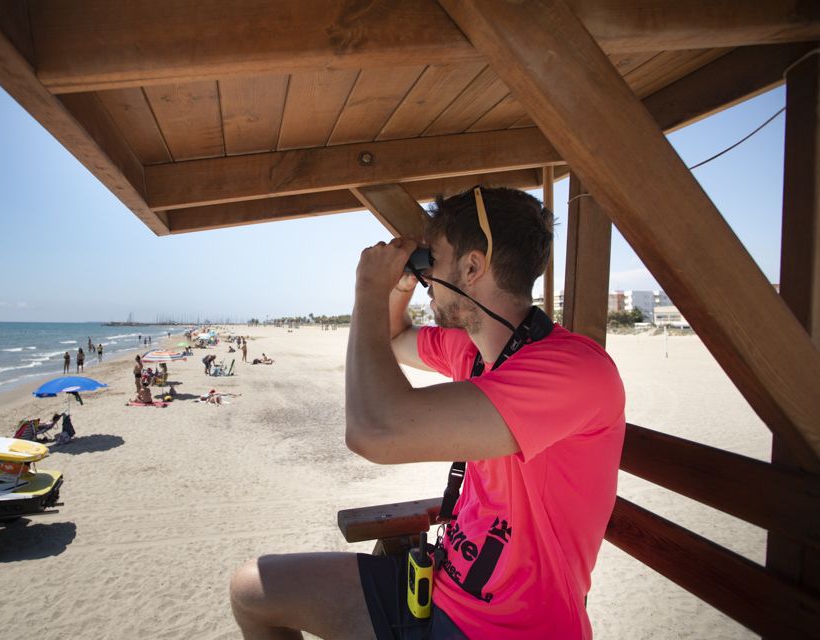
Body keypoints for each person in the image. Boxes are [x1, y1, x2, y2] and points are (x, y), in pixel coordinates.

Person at [229, 187, 626, 639]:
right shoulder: (473, 351)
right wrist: (399, 284)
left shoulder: (573, 372)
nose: (424, 279)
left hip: (511, 628)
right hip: (436, 589)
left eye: (429, 263)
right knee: (252, 590)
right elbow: (395, 336)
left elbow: (373, 430)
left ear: (473, 267)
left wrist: (368, 290)